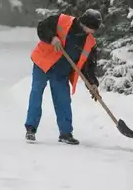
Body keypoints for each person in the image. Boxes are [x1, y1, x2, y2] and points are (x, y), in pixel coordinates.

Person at [24, 9, 102, 145]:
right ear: (84, 22)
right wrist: (52, 38)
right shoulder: (63, 21)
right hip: (43, 62)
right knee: (36, 92)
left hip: (61, 71)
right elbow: (42, 27)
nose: (92, 32)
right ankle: (31, 128)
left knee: (63, 100)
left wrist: (93, 83)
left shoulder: (89, 42)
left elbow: (88, 66)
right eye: (91, 28)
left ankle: (65, 133)